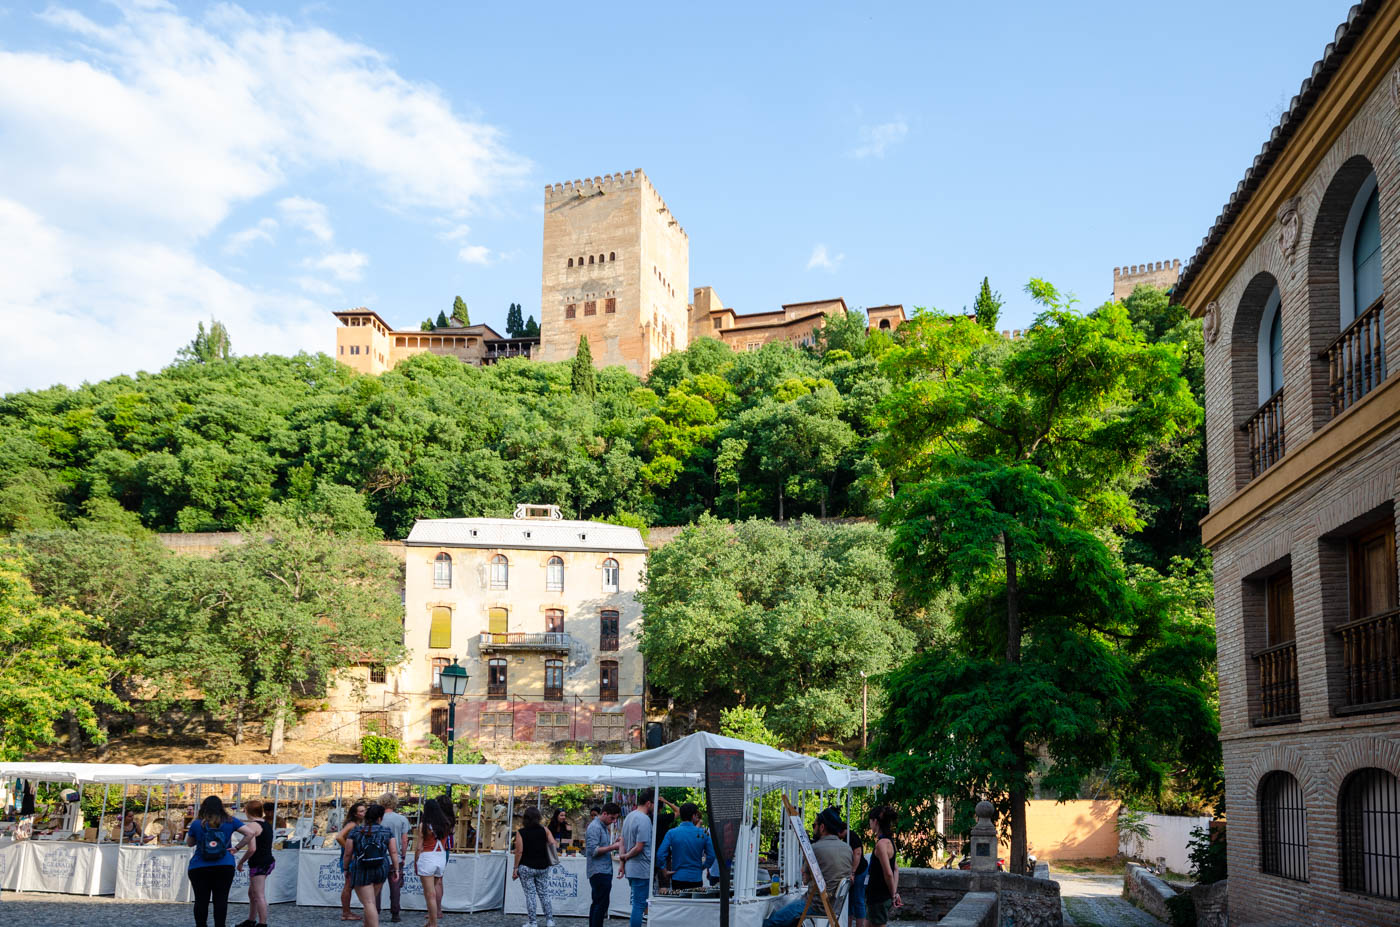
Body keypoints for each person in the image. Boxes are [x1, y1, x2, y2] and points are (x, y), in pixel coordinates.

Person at [761, 807, 853, 927]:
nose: (813, 828)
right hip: (834, 905)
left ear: (822, 827)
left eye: (814, 825)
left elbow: (805, 879)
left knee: (770, 922)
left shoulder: (815, 848)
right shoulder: (848, 849)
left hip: (816, 905)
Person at [186, 795, 259, 927]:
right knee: (221, 900)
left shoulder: (197, 823)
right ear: (221, 807)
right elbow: (250, 833)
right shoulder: (231, 821)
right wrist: (237, 848)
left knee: (201, 901)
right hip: (224, 865)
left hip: (199, 866)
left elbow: (190, 843)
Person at [344, 803, 400, 927]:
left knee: (368, 903)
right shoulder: (386, 831)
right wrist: (396, 869)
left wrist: (346, 868)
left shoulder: (356, 831)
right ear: (380, 818)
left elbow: (348, 853)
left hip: (362, 868)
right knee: (370, 902)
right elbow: (394, 851)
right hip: (381, 868)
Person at [513, 805, 558, 927]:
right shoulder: (545, 830)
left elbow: (519, 852)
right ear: (538, 817)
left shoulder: (521, 832)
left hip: (526, 866)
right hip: (542, 866)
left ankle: (533, 922)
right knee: (544, 893)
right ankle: (550, 920)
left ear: (525, 819)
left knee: (530, 895)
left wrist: (515, 868)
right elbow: (553, 843)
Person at [656, 802, 716, 891]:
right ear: (693, 816)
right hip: (696, 877)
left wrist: (664, 869)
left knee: (679, 904)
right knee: (694, 904)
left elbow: (660, 854)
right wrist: (702, 867)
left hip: (677, 877)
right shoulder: (703, 833)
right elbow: (711, 855)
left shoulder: (671, 833)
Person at [234, 799, 275, 927]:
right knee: (252, 893)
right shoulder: (266, 824)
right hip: (268, 861)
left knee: (258, 895)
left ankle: (262, 923)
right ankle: (251, 920)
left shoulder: (252, 826)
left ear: (247, 811)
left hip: (259, 863)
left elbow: (252, 849)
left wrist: (241, 862)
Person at [617, 793, 654, 927]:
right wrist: (625, 857)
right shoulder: (644, 819)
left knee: (638, 903)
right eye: (654, 804)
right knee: (639, 905)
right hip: (641, 868)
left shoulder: (628, 816)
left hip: (631, 868)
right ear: (649, 803)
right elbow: (639, 847)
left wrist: (622, 863)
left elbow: (622, 843)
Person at [415, 799, 452, 927]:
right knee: (434, 890)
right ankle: (431, 921)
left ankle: (433, 923)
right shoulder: (446, 824)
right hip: (440, 857)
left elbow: (419, 847)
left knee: (429, 894)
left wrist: (416, 861)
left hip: (427, 857)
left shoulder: (423, 826)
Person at [585, 802, 623, 927]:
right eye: (612, 818)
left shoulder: (602, 826)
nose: (614, 821)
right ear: (605, 813)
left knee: (599, 903)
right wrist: (613, 846)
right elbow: (593, 851)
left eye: (616, 818)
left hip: (603, 870)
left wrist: (613, 844)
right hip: (598, 871)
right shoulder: (595, 827)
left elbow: (601, 846)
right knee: (600, 904)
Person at [864, 807, 900, 927]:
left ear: (875, 821)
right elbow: (895, 869)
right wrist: (894, 893)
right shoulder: (890, 842)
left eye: (870, 821)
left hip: (878, 897)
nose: (869, 824)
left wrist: (893, 894)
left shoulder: (881, 844)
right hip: (878, 896)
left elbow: (889, 873)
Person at [379, 793, 411, 924]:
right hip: (395, 857)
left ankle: (374, 911)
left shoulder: (378, 818)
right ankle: (395, 913)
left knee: (376, 887)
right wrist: (403, 856)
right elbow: (404, 840)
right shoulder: (402, 819)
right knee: (395, 887)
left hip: (379, 857)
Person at [335, 802, 368, 921]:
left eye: (364, 810)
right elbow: (339, 837)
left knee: (349, 885)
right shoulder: (352, 824)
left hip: (351, 856)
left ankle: (347, 911)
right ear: (355, 813)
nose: (364, 813)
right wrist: (350, 850)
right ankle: (346, 912)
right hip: (350, 857)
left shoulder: (356, 824)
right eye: (361, 811)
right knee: (348, 885)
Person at [844, 818, 869, 927]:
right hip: (851, 872)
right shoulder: (843, 837)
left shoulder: (852, 836)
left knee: (858, 899)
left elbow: (857, 854)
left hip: (860, 872)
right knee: (849, 901)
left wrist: (853, 873)